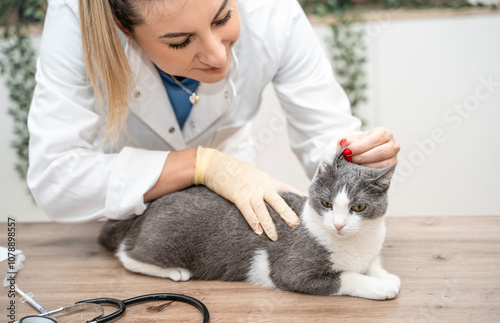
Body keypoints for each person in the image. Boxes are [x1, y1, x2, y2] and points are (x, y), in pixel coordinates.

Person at [27, 0, 400, 241]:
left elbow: (323, 133)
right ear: (124, 29)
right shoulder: (76, 19)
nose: (217, 56)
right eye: (179, 42)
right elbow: (56, 177)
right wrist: (201, 165)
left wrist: (357, 160)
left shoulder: (274, 12)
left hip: (228, 211)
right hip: (126, 214)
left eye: (223, 18)